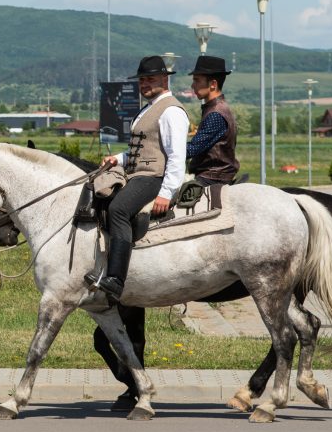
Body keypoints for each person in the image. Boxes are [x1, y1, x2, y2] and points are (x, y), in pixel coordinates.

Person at [89, 55, 189, 303]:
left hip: (153, 177)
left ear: (165, 79)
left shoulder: (171, 111)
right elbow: (142, 149)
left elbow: (176, 156)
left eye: (150, 79)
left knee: (119, 209)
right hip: (136, 173)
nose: (144, 84)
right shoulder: (149, 108)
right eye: (142, 80)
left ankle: (116, 278)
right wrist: (118, 160)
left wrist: (167, 192)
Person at [186, 55, 239, 186]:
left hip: (212, 177)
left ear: (213, 84)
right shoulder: (217, 108)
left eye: (197, 80)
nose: (193, 85)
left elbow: (192, 149)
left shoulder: (216, 113)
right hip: (213, 175)